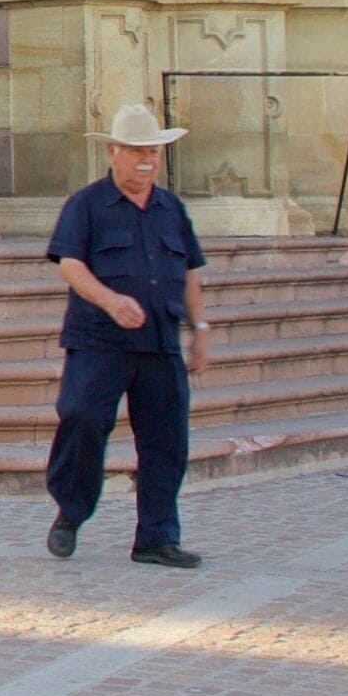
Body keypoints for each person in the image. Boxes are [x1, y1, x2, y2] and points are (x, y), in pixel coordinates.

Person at [40, 101, 213, 568]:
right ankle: (70, 514)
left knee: (166, 440)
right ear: (112, 152)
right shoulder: (86, 205)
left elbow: (191, 271)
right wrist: (111, 301)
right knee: (81, 419)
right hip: (98, 341)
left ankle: (157, 538)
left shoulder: (172, 208)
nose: (147, 160)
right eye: (137, 151)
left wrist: (199, 326)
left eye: (153, 152)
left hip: (159, 342)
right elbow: (70, 265)